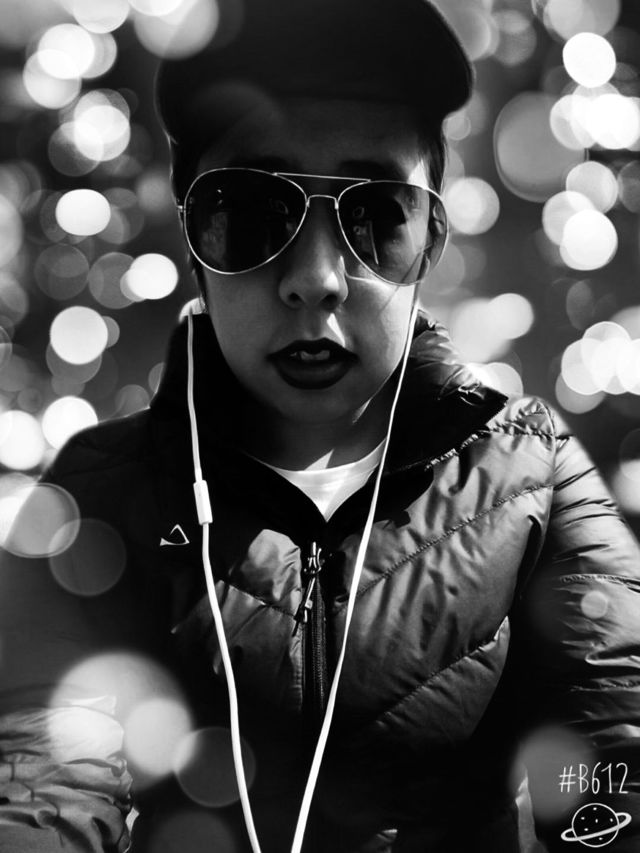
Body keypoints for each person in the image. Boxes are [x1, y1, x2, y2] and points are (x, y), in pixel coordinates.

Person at [1, 0, 639, 851]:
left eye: (375, 214)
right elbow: (43, 786)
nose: (317, 279)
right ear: (192, 235)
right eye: (250, 211)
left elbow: (612, 770)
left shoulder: (536, 474)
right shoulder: (92, 497)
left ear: (432, 238)